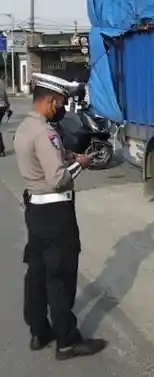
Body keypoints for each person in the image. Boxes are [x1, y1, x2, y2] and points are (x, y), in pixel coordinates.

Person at [15, 73, 106, 360]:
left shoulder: (26, 128)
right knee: (60, 275)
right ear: (51, 100)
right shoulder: (47, 133)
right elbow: (58, 179)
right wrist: (83, 164)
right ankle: (67, 340)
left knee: (38, 272)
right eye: (62, 103)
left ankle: (38, 331)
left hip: (36, 211)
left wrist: (68, 155)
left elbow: (46, 158)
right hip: (56, 213)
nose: (63, 108)